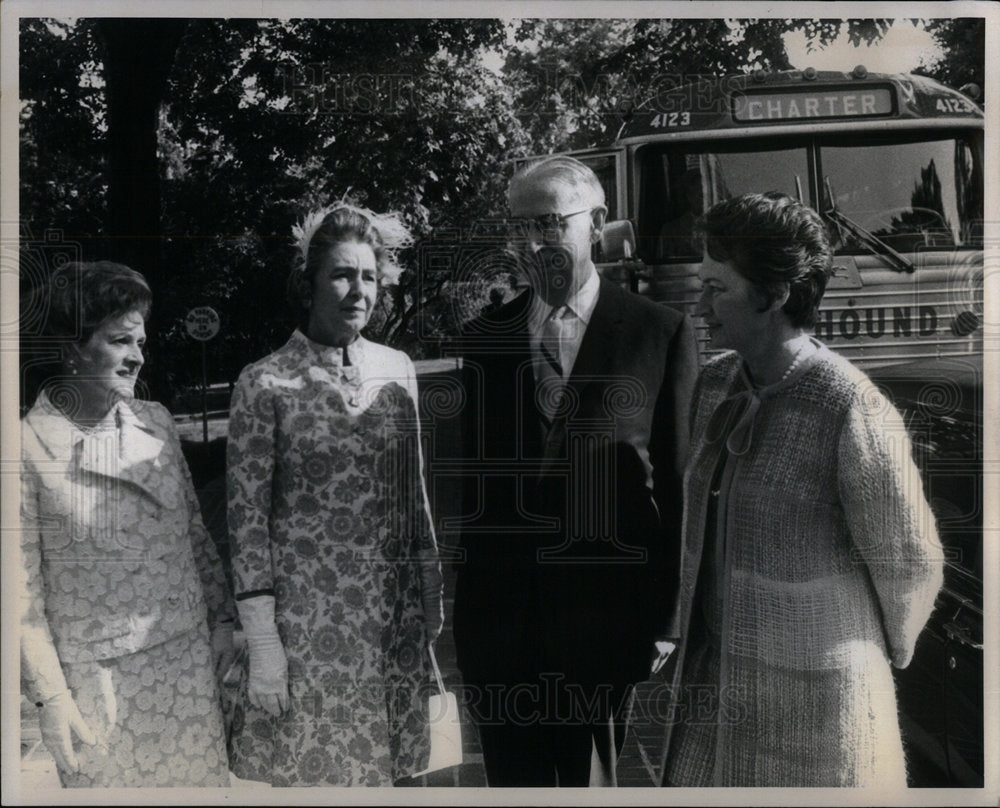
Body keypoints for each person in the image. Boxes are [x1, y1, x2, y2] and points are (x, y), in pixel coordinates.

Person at [660, 192, 943, 787]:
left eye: (718, 288)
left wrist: (875, 653)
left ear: (776, 294)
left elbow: (911, 562)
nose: (701, 305)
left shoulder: (850, 406)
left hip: (821, 706)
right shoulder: (715, 383)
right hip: (719, 689)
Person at [452, 155, 699, 786]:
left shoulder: (659, 333)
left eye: (548, 224)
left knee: (591, 784)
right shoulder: (485, 339)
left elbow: (677, 484)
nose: (532, 244)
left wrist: (667, 617)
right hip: (501, 626)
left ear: (596, 222)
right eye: (518, 228)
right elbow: (472, 487)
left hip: (605, 618)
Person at [226, 202, 444, 786]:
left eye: (369, 276)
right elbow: (245, 520)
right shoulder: (263, 381)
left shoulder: (397, 369)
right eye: (342, 275)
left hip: (392, 620)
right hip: (309, 627)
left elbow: (413, 492)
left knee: (396, 777)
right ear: (309, 284)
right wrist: (264, 644)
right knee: (317, 776)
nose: (358, 290)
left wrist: (429, 596)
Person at [18, 261, 234, 787]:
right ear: (71, 346)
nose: (138, 355)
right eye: (120, 340)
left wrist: (224, 621)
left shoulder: (156, 422)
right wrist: (51, 698)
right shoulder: (25, 447)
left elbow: (195, 537)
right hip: (98, 689)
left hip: (187, 666)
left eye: (140, 340)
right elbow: (20, 597)